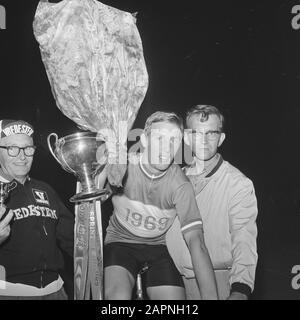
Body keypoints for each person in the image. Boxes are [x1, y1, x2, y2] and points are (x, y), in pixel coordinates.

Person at [97, 111, 218, 300]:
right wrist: (103, 163)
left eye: (174, 140)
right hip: (120, 241)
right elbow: (94, 200)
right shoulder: (124, 165)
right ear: (144, 140)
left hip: (159, 247)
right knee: (117, 299)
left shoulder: (180, 185)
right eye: (159, 138)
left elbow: (196, 242)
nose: (167, 147)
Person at [167, 105, 258, 300]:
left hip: (220, 283)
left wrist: (240, 290)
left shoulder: (237, 183)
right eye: (197, 133)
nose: (205, 140)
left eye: (211, 133)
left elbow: (244, 239)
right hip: (172, 285)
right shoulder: (173, 179)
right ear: (186, 137)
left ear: (221, 138)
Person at [0, 119, 74, 299]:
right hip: (10, 292)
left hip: (56, 291)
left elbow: (73, 239)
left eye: (28, 148)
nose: (22, 156)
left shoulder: (45, 190)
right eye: (12, 148)